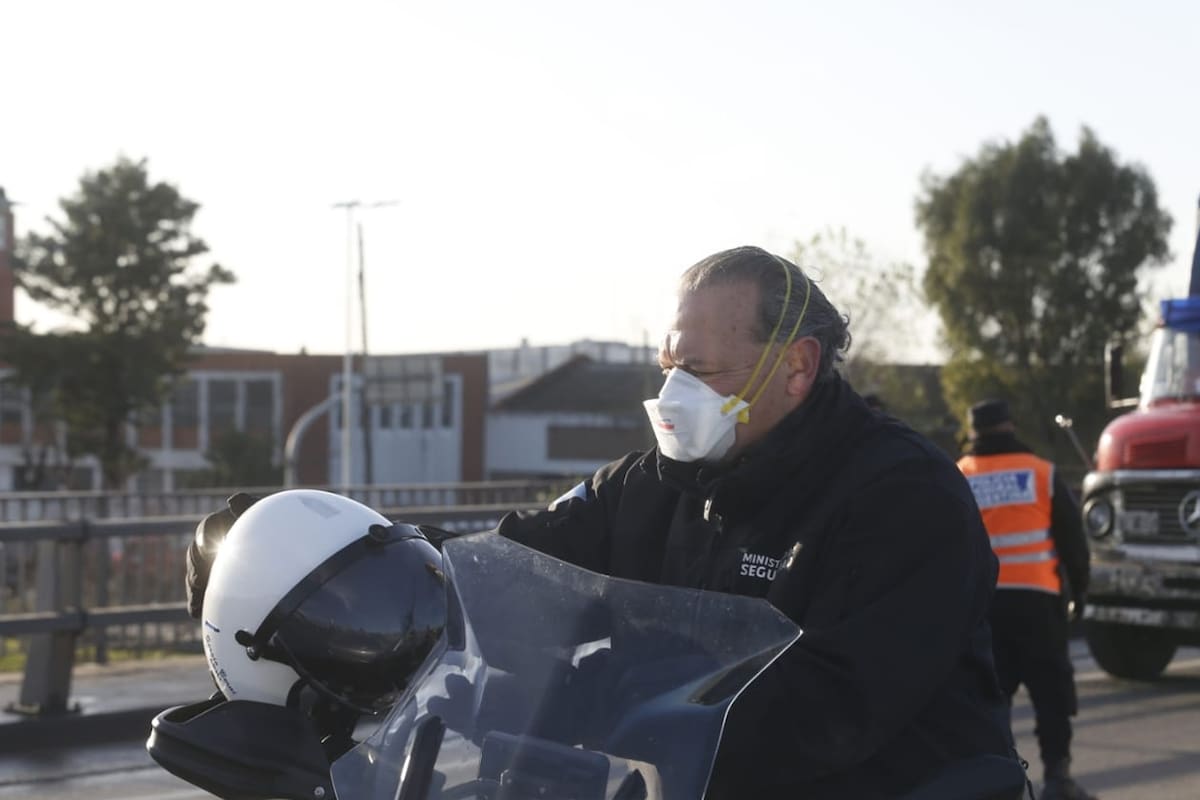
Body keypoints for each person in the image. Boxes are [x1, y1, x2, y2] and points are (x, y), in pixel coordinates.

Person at [188, 246, 1015, 799]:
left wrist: (607, 705)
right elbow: (519, 559)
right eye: (668, 367)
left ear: (796, 367)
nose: (674, 392)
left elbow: (834, 708)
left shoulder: (904, 497)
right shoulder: (655, 482)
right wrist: (352, 570)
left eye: (701, 370)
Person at [957, 398, 1095, 800]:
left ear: (972, 433)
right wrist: (1080, 591)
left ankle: (996, 781)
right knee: (1051, 695)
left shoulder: (957, 475)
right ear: (1011, 426)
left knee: (988, 700)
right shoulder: (1042, 473)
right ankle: (1058, 779)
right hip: (1038, 605)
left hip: (982, 610)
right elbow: (1074, 544)